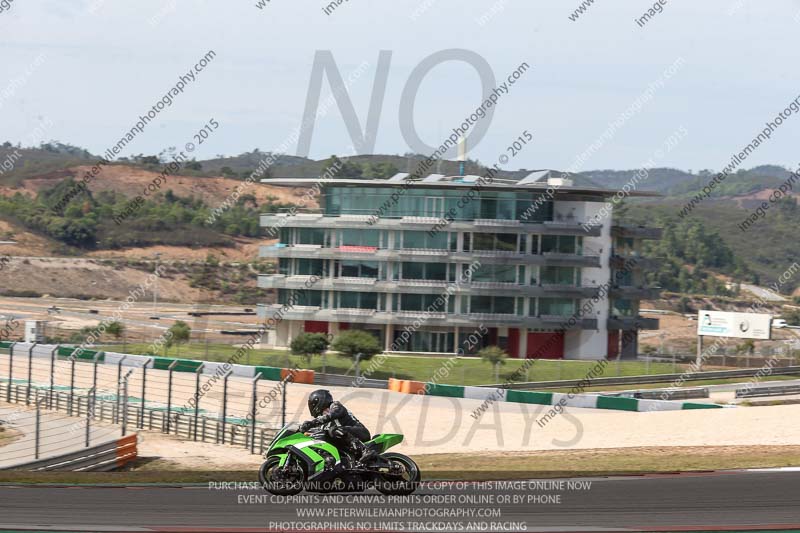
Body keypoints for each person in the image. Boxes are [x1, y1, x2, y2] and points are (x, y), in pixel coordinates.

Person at [298, 389, 377, 465]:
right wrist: (301, 430)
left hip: (361, 432)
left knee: (333, 430)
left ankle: (365, 450)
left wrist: (312, 423)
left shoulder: (335, 405)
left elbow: (333, 414)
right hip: (346, 438)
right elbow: (317, 431)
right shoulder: (323, 417)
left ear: (320, 401)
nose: (312, 407)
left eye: (313, 404)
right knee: (323, 435)